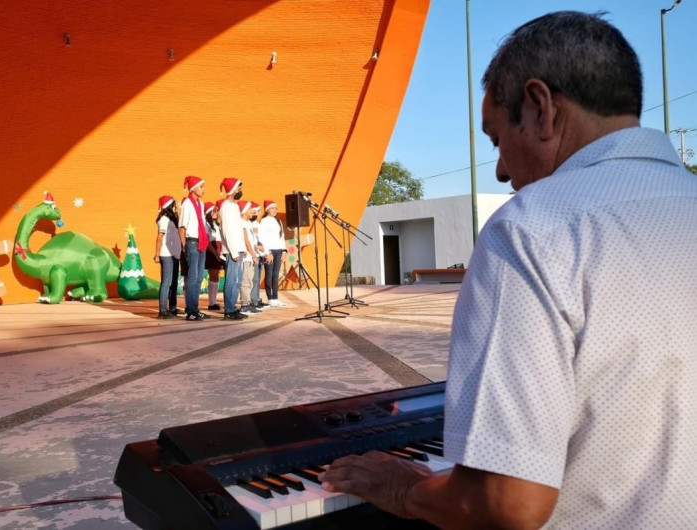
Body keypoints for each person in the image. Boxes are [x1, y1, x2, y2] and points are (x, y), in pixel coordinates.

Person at [320, 11, 697, 528]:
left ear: (541, 107)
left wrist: (404, 489)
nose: (500, 169)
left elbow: (506, 503)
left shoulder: (531, 229)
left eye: (496, 139)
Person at [177, 175, 208, 322]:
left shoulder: (200, 205)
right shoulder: (187, 204)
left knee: (199, 277)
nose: (204, 190)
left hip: (201, 242)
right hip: (192, 242)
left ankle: (195, 308)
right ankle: (190, 310)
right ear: (193, 188)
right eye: (201, 187)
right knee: (192, 277)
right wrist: (184, 246)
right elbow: (182, 227)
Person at [218, 178, 248, 320]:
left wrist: (242, 247)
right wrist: (234, 250)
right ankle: (228, 310)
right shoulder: (225, 207)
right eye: (238, 188)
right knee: (231, 279)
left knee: (237, 279)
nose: (239, 191)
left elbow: (237, 229)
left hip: (238, 248)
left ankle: (233, 307)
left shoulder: (234, 206)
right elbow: (227, 230)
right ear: (231, 190)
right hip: (232, 250)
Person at [153, 195, 181, 319]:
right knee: (166, 282)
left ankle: (173, 307)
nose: (175, 207)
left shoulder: (173, 219)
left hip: (174, 254)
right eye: (174, 205)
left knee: (174, 282)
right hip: (166, 254)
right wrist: (157, 254)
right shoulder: (164, 219)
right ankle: (162, 310)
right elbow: (160, 237)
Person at [258, 200, 287, 307]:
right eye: (272, 208)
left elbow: (282, 237)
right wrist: (267, 252)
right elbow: (262, 237)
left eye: (276, 208)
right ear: (267, 210)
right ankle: (270, 298)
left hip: (278, 250)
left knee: (275, 275)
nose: (275, 210)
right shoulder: (264, 221)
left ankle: (275, 297)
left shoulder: (278, 221)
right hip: (269, 251)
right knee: (269, 274)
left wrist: (284, 251)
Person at [248, 202, 272, 310]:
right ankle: (253, 301)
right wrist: (264, 252)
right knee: (254, 279)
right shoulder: (250, 225)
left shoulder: (258, 225)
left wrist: (266, 252)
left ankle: (256, 299)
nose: (255, 213)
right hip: (254, 255)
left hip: (260, 254)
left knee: (257, 279)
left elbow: (263, 241)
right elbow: (256, 242)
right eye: (254, 211)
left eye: (257, 211)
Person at [204, 200, 223, 311]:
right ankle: (211, 303)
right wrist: (215, 253)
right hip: (212, 250)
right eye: (214, 211)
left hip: (219, 248)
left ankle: (214, 302)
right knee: (213, 275)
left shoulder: (217, 224)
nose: (216, 213)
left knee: (217, 276)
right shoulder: (206, 224)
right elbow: (207, 241)